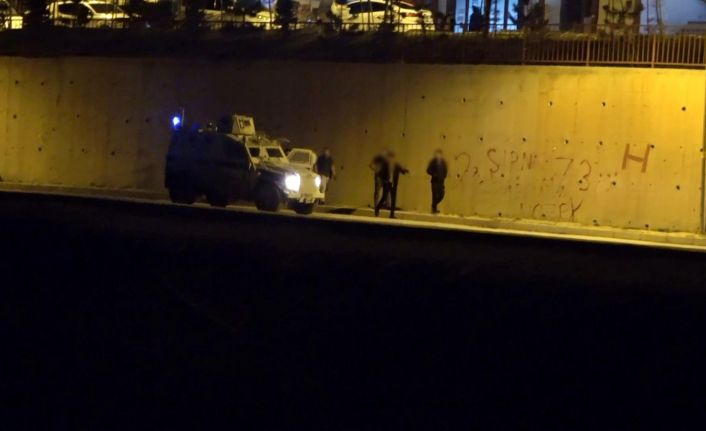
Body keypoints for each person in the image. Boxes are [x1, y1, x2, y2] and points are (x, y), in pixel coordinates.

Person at [426, 149, 448, 214]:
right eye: (437, 154)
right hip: (434, 181)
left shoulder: (443, 162)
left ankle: (433, 205)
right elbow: (428, 170)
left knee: (442, 195)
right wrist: (434, 174)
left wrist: (444, 176)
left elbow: (445, 170)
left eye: (440, 155)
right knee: (434, 195)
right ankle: (434, 209)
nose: (439, 156)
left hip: (441, 181)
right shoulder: (433, 162)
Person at [388, 152, 409, 219]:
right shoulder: (387, 165)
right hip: (388, 183)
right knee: (386, 197)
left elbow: (402, 170)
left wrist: (405, 170)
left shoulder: (395, 165)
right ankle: (378, 208)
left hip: (392, 183)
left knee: (393, 199)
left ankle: (391, 214)